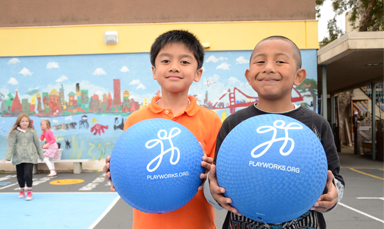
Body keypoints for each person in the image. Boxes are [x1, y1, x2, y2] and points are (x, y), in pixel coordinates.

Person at [204, 36, 345, 229]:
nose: (268, 67)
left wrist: (332, 198)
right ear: (248, 75)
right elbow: (216, 178)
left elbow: (335, 179)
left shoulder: (316, 124)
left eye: (280, 61)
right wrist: (212, 192)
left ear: (299, 76)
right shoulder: (234, 124)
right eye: (260, 61)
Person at [104, 30, 222, 229]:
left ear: (198, 73)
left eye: (184, 62)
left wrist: (210, 173)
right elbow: (130, 181)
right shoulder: (136, 120)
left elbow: (218, 187)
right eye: (166, 61)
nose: (174, 67)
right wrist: (116, 173)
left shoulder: (210, 120)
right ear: (153, 71)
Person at [1, 113, 44, 201]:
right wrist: (7, 157)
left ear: (29, 122)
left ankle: (29, 191)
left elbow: (37, 144)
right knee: (20, 175)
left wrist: (41, 155)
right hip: (18, 157)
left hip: (30, 156)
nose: (25, 123)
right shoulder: (15, 132)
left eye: (26, 121)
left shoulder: (32, 131)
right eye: (22, 121)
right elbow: (11, 145)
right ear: (19, 122)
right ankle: (21, 190)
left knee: (28, 174)